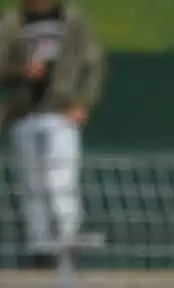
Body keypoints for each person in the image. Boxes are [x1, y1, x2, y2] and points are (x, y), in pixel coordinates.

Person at [0, 0, 105, 264]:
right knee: (31, 182)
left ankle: (67, 242)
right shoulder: (13, 23)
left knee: (60, 178)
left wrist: (83, 101)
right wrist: (20, 72)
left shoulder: (72, 20)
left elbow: (93, 63)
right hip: (25, 112)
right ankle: (40, 248)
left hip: (60, 111)